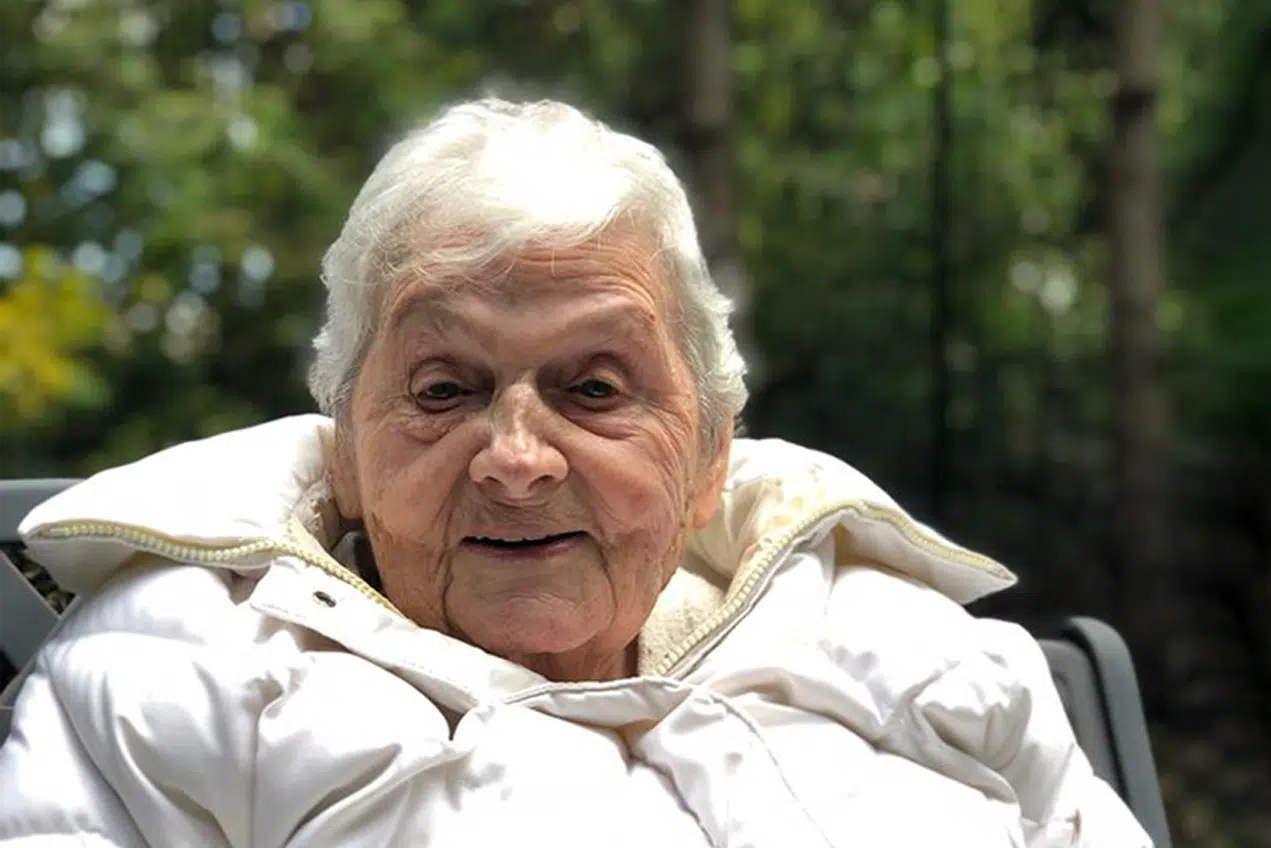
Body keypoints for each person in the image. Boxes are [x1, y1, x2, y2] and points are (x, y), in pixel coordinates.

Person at [0, 98, 1150, 847]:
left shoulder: (909, 645)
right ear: (343, 442)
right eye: (443, 388)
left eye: (593, 389)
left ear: (709, 450)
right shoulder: (165, 671)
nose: (514, 457)